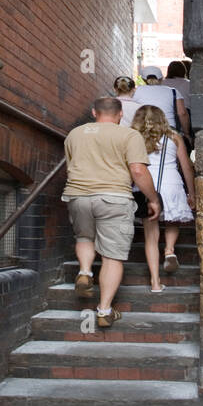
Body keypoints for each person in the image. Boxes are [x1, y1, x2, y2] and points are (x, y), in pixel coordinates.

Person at [62, 96, 161, 327]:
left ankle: (85, 271)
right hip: (114, 198)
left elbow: (70, 167)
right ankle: (104, 311)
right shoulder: (128, 135)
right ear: (119, 115)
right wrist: (153, 198)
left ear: (94, 113)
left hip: (78, 195)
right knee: (112, 255)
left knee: (84, 236)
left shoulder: (74, 134)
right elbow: (137, 170)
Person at [131, 104, 195, 289]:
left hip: (146, 186)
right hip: (171, 184)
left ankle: (155, 282)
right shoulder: (175, 137)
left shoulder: (134, 138)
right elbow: (186, 166)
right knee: (172, 220)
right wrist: (192, 193)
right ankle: (169, 250)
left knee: (151, 236)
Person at [165, 60, 193, 145]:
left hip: (167, 113)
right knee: (185, 143)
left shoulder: (162, 83)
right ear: (184, 71)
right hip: (186, 113)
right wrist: (187, 134)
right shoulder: (189, 84)